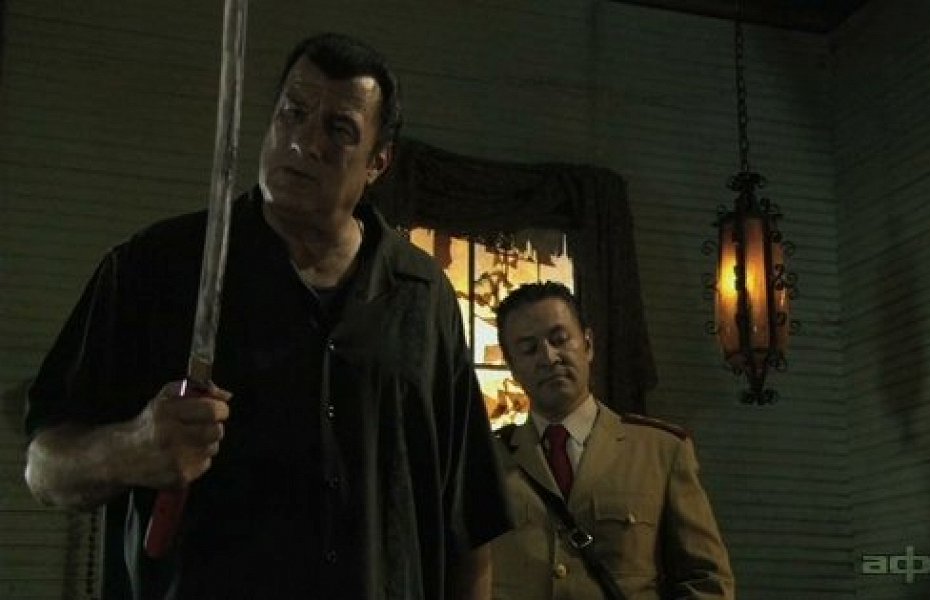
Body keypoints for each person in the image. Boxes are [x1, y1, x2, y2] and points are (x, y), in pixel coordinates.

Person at [23, 33, 509, 600]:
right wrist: (133, 447)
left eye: (339, 129)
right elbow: (44, 468)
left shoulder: (423, 298)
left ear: (378, 162)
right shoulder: (158, 268)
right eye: (293, 113)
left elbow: (469, 528)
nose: (304, 142)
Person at [489, 282, 734, 599]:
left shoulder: (659, 452)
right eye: (528, 349)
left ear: (588, 345)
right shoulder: (486, 460)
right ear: (512, 367)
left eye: (559, 340)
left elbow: (707, 581)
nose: (549, 357)